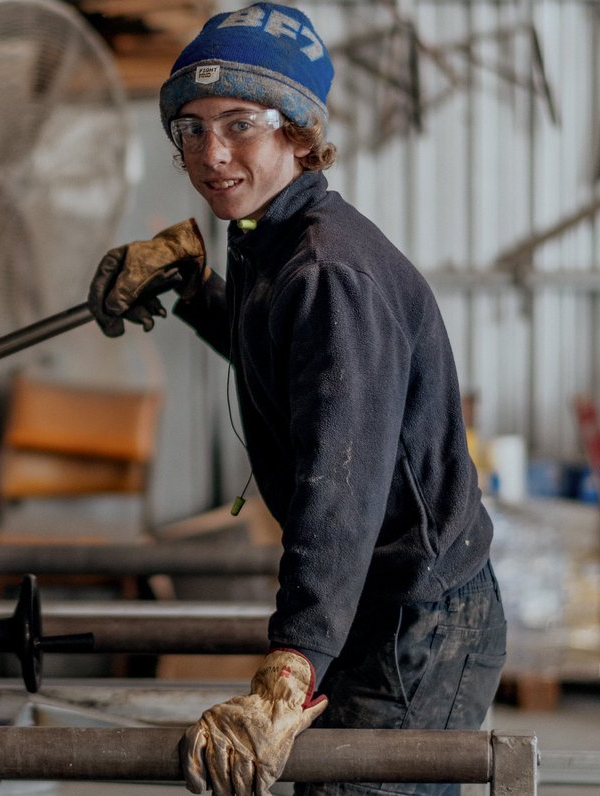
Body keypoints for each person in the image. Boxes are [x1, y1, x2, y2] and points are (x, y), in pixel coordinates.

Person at [87, 4, 507, 795]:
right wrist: (195, 287)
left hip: (414, 618)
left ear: (299, 133)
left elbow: (338, 491)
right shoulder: (269, 236)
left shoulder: (326, 273)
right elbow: (285, 363)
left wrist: (291, 665)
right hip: (377, 604)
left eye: (240, 123)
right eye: (191, 128)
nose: (212, 154)